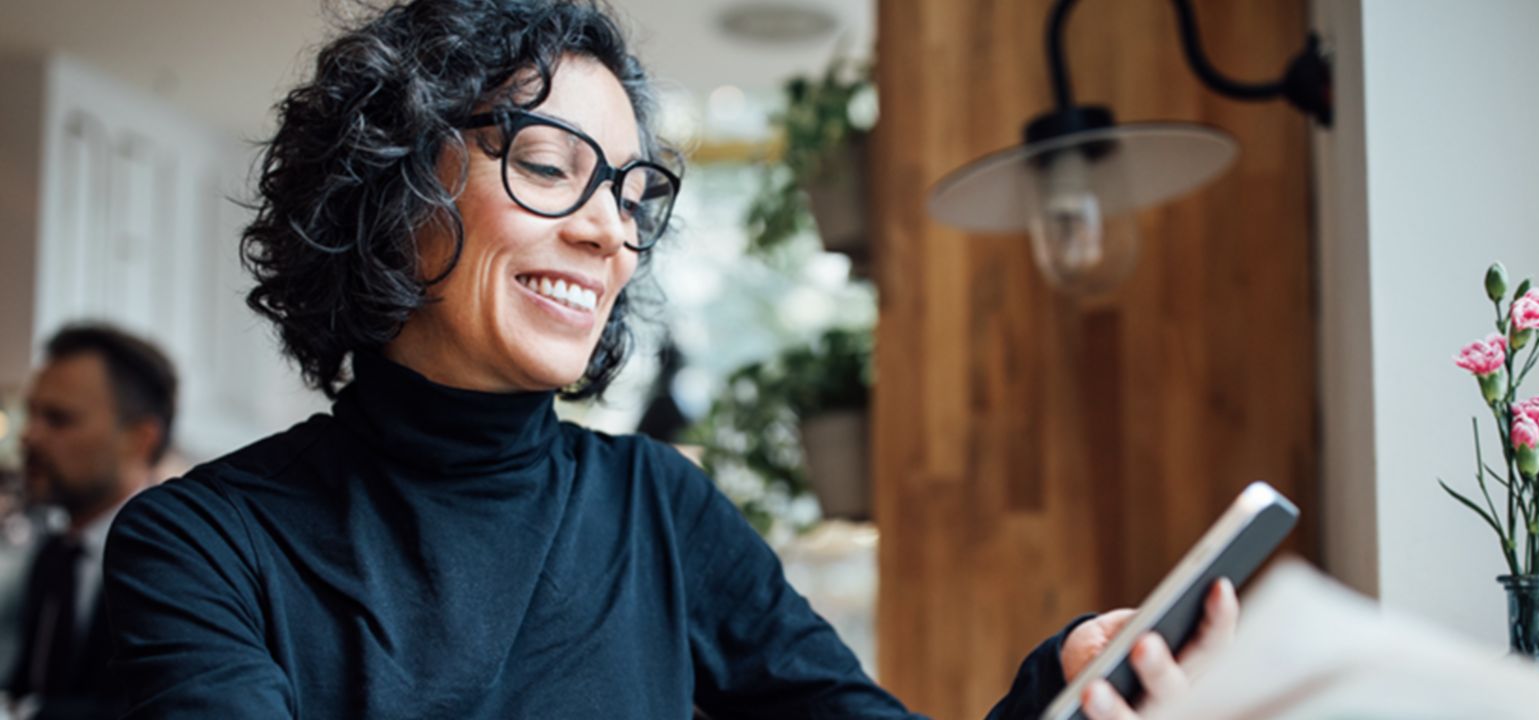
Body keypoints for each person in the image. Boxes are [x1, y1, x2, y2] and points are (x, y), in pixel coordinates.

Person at [102, 1, 1236, 718]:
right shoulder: (201, 546)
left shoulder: (662, 510)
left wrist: (1065, 685)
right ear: (394, 192)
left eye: (631, 192)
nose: (608, 231)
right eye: (549, 165)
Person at [14, 324, 177, 719]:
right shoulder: (55, 554)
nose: (29, 436)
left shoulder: (177, 564)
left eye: (58, 419)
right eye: (31, 413)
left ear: (140, 439)